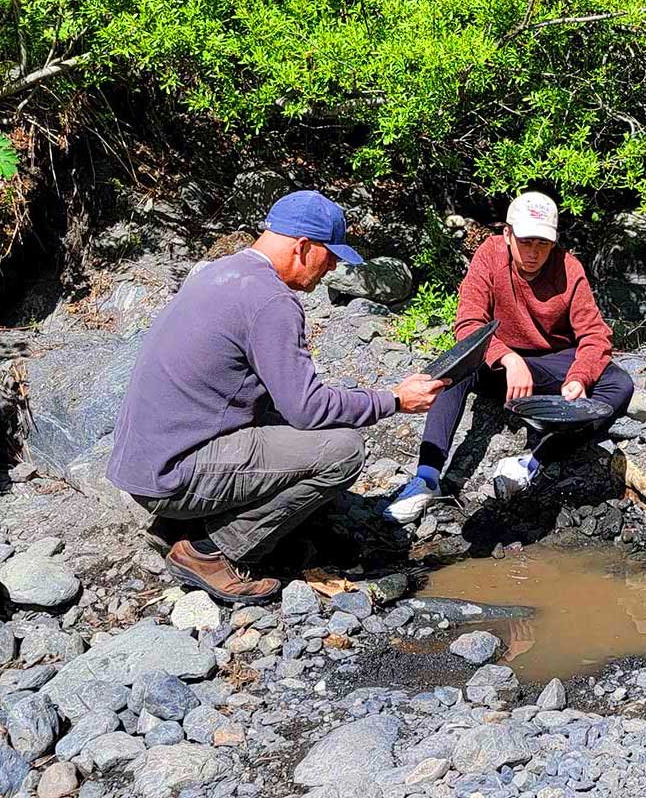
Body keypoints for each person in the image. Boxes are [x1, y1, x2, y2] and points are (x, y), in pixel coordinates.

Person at [107, 190, 446, 604]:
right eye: (331, 255)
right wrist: (393, 399)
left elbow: (280, 398)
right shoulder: (272, 301)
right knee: (343, 449)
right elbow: (308, 408)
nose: (334, 266)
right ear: (303, 247)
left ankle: (185, 524)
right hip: (172, 476)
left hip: (145, 465)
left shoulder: (222, 272)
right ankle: (210, 551)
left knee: (300, 429)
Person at [384, 191, 634, 523]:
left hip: (550, 361)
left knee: (619, 384)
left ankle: (534, 461)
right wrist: (507, 358)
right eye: (526, 241)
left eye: (543, 244)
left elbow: (594, 333)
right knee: (451, 367)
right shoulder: (489, 256)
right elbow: (469, 324)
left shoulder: (568, 268)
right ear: (507, 234)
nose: (534, 253)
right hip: (497, 362)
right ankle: (425, 478)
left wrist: (579, 377)